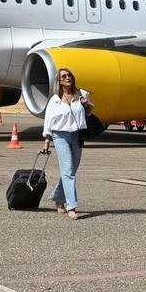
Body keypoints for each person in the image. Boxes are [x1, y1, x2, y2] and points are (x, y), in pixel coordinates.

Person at [40, 68, 93, 219]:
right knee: (68, 170)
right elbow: (48, 121)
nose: (67, 77)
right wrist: (46, 141)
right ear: (60, 81)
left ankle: (58, 196)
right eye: (64, 76)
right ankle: (72, 206)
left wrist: (85, 104)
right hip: (60, 136)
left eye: (69, 75)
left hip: (77, 135)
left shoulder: (81, 94)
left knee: (71, 169)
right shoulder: (55, 100)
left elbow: (90, 111)